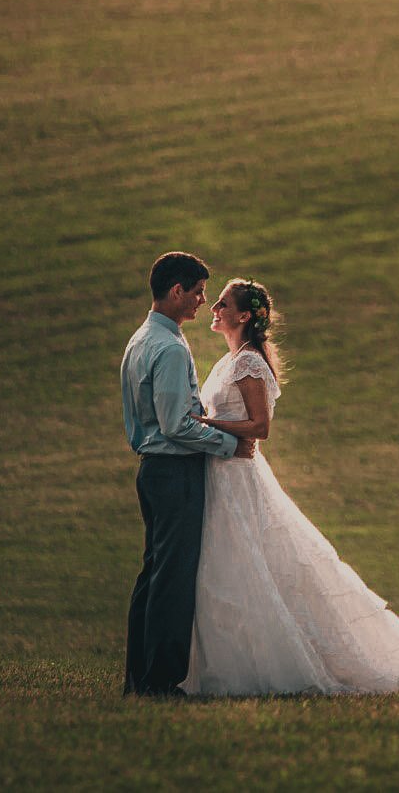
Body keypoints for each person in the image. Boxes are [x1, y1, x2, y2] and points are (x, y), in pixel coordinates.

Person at [178, 277, 399, 696]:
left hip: (239, 477)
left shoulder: (250, 362)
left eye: (222, 304)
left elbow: (260, 427)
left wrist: (205, 424)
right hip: (221, 474)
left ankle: (278, 666)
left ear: (245, 315)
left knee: (256, 562)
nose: (213, 309)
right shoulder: (226, 362)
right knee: (228, 567)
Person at [120, 251, 255, 698]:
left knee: (153, 573)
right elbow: (177, 424)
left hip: (151, 469)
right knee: (173, 578)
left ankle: (138, 676)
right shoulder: (171, 347)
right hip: (175, 471)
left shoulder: (140, 340)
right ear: (176, 290)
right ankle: (161, 680)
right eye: (197, 292)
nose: (202, 301)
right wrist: (229, 444)